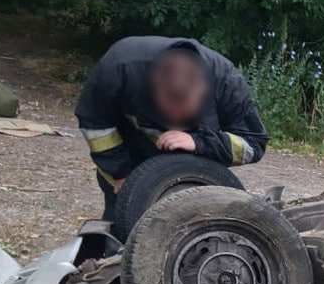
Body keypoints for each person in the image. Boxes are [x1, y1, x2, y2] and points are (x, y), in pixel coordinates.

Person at [75, 36, 268, 221]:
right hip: (129, 165)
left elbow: (253, 144)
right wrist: (121, 172)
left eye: (183, 109)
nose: (174, 118)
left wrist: (199, 142)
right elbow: (96, 126)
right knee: (124, 230)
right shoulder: (119, 67)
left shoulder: (227, 82)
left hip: (196, 178)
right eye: (168, 107)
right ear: (154, 83)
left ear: (203, 88)